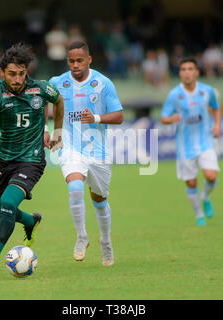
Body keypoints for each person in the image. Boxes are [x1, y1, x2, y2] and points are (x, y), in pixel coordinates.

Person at [0, 43, 64, 279]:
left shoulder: (41, 88)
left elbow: (59, 101)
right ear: (3, 72)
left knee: (9, 204)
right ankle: (31, 221)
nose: (17, 78)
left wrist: (57, 132)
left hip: (31, 161)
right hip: (2, 160)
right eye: (12, 73)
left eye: (22, 73)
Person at [48, 41, 124, 266]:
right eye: (71, 61)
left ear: (89, 59)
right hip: (71, 148)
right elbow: (40, 104)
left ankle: (106, 241)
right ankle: (81, 236)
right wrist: (49, 130)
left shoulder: (103, 83)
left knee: (99, 201)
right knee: (75, 187)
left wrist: (97, 118)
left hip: (98, 152)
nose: (75, 65)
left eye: (79, 60)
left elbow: (119, 116)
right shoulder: (57, 83)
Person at [161, 58, 221, 226]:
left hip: (205, 142)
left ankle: (206, 197)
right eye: (183, 69)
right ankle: (198, 214)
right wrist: (171, 118)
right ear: (180, 73)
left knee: (211, 175)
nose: (186, 72)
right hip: (184, 146)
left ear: (196, 72)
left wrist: (217, 125)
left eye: (190, 69)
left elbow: (216, 107)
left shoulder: (206, 91)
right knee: (192, 181)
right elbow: (164, 117)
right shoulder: (174, 95)